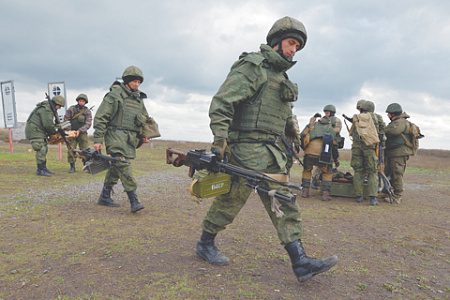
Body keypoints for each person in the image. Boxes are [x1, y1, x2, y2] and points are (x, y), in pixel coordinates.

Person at [196, 16, 338, 283]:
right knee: (265, 196)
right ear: (276, 42)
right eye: (290, 43)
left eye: (297, 46)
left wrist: (294, 139)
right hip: (246, 148)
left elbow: (285, 116)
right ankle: (300, 262)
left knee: (248, 197)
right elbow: (222, 102)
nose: (293, 49)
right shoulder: (253, 67)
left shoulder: (280, 77)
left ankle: (207, 242)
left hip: (270, 150)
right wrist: (219, 141)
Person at [93, 66, 150, 213]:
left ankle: (105, 196)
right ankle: (134, 200)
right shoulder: (115, 95)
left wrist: (144, 135)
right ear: (127, 81)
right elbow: (101, 117)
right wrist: (98, 139)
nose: (137, 85)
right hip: (114, 136)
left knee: (115, 166)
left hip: (130, 139)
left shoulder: (138, 99)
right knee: (123, 164)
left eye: (139, 82)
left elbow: (145, 119)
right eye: (134, 81)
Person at [349, 100, 380, 206]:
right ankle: (373, 198)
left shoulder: (357, 117)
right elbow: (382, 131)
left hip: (357, 147)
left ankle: (358, 196)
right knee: (372, 172)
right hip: (370, 148)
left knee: (357, 171)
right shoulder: (377, 117)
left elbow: (352, 132)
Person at [25, 95, 66, 176]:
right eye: (59, 106)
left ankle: (43, 168)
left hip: (38, 130)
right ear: (55, 104)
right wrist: (53, 134)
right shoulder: (47, 110)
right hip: (35, 131)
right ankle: (40, 170)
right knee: (41, 148)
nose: (59, 108)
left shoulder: (47, 108)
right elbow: (48, 124)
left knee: (44, 149)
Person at [300, 114, 335, 201]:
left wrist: (304, 148)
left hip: (309, 153)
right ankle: (325, 195)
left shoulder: (311, 125)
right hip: (323, 155)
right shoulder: (331, 129)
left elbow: (302, 135)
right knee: (327, 173)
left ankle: (305, 192)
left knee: (307, 170)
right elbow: (334, 144)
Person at [384, 103, 413, 204]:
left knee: (397, 173)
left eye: (389, 113)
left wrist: (383, 129)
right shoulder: (396, 122)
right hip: (393, 152)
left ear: (393, 113)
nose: (387, 115)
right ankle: (386, 192)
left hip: (399, 152)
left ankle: (397, 196)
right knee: (388, 172)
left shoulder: (401, 122)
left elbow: (394, 131)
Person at [63, 94, 92, 173]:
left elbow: (88, 123)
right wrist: (70, 131)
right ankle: (72, 166)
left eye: (83, 101)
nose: (81, 102)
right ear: (77, 101)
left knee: (85, 150)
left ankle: (86, 166)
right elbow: (66, 120)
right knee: (71, 149)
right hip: (71, 133)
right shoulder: (71, 109)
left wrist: (79, 131)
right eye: (80, 101)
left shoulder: (87, 112)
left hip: (82, 134)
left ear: (85, 102)